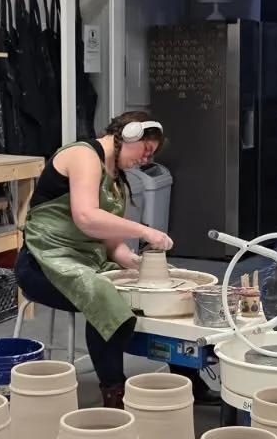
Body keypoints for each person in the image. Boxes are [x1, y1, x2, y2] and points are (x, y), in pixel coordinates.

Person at [17, 112, 171, 407]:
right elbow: (86, 218)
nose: (145, 159)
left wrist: (142, 267)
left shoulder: (117, 181)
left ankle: (185, 379)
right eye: (145, 151)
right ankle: (114, 394)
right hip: (42, 263)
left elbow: (113, 247)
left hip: (87, 262)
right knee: (103, 295)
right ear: (130, 135)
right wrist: (144, 231)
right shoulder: (83, 155)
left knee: (150, 294)